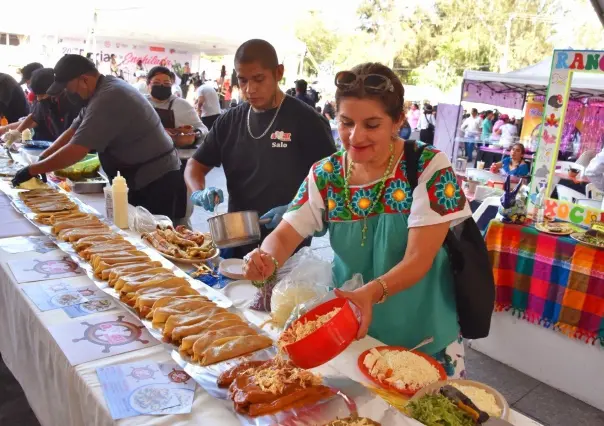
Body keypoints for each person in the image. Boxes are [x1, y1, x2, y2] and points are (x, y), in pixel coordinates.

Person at [243, 62, 471, 376]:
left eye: (372, 124)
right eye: (346, 122)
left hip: (425, 340)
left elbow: (419, 259)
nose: (355, 136)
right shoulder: (326, 174)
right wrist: (266, 258)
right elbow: (284, 234)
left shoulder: (428, 166)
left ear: (397, 122)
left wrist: (370, 294)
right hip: (350, 336)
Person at [184, 39, 336, 258]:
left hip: (288, 240)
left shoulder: (307, 121)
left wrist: (295, 209)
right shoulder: (230, 121)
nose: (250, 89)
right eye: (243, 80)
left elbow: (333, 183)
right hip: (236, 235)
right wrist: (199, 191)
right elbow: (195, 165)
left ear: (278, 72)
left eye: (259, 79)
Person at [11, 54, 187, 223]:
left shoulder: (110, 96)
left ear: (84, 79)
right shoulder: (98, 92)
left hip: (157, 179)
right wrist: (42, 159)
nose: (66, 93)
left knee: (153, 238)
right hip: (137, 176)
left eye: (68, 88)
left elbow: (77, 149)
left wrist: (33, 170)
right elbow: (73, 130)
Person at [8, 68, 81, 142]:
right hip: (56, 142)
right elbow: (33, 117)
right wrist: (16, 132)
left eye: (42, 95)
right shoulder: (44, 102)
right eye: (37, 95)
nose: (39, 99)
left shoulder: (72, 102)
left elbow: (73, 134)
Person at [146, 66, 208, 144]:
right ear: (148, 84)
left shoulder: (182, 105)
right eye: (156, 83)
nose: (162, 86)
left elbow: (203, 129)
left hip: (173, 153)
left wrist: (196, 133)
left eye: (166, 83)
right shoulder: (141, 103)